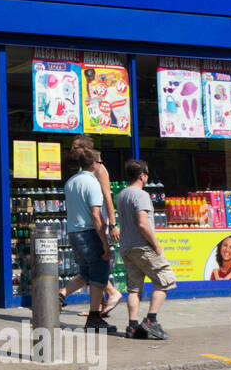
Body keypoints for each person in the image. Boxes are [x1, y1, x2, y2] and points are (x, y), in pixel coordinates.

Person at [58, 135, 122, 315]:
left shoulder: (99, 169)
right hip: (90, 224)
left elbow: (107, 197)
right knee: (92, 269)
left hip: (97, 224)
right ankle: (100, 306)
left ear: (85, 150)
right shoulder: (82, 172)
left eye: (74, 147)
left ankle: (107, 299)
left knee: (95, 267)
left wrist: (112, 224)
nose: (71, 151)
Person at [116, 159, 173, 340]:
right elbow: (142, 223)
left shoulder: (122, 195)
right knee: (165, 280)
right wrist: (155, 245)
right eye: (146, 173)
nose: (147, 177)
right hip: (143, 246)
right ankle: (151, 320)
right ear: (142, 175)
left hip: (127, 247)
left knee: (134, 288)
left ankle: (132, 327)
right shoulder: (141, 195)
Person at [64, 147, 113, 333]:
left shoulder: (70, 182)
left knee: (85, 274)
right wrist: (105, 242)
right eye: (100, 163)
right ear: (94, 164)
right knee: (99, 276)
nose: (101, 166)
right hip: (89, 233)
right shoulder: (92, 183)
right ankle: (94, 317)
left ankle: (60, 297)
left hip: (73, 233)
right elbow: (96, 215)